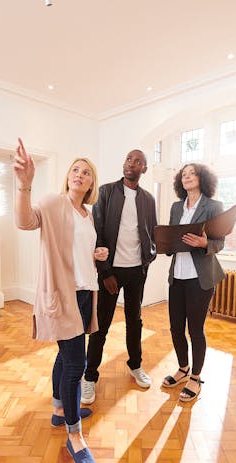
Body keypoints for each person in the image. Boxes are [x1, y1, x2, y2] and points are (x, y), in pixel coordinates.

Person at [13, 138, 108, 463]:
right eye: (75, 170)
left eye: (86, 172)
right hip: (63, 296)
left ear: (92, 183)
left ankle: (58, 410)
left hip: (85, 294)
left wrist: (97, 254)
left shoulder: (88, 214)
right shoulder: (55, 203)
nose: (80, 175)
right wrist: (25, 186)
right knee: (76, 365)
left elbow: (78, 250)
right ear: (68, 176)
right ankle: (75, 435)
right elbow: (25, 222)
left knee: (65, 357)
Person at [81, 149, 158, 404]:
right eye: (128, 159)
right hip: (111, 272)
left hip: (137, 271)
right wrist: (105, 273)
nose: (131, 164)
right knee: (100, 325)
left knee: (134, 321)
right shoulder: (106, 192)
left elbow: (152, 233)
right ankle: (89, 376)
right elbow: (98, 232)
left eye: (137, 162)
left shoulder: (148, 199)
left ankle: (135, 366)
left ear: (143, 169)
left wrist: (148, 259)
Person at [161, 163, 225, 402]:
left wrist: (203, 244)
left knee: (195, 330)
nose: (187, 177)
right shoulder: (176, 207)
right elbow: (172, 239)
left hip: (201, 278)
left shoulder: (213, 206)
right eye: (184, 174)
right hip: (177, 276)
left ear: (202, 178)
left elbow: (220, 242)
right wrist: (164, 244)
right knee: (176, 328)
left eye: (192, 173)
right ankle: (183, 368)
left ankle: (196, 377)